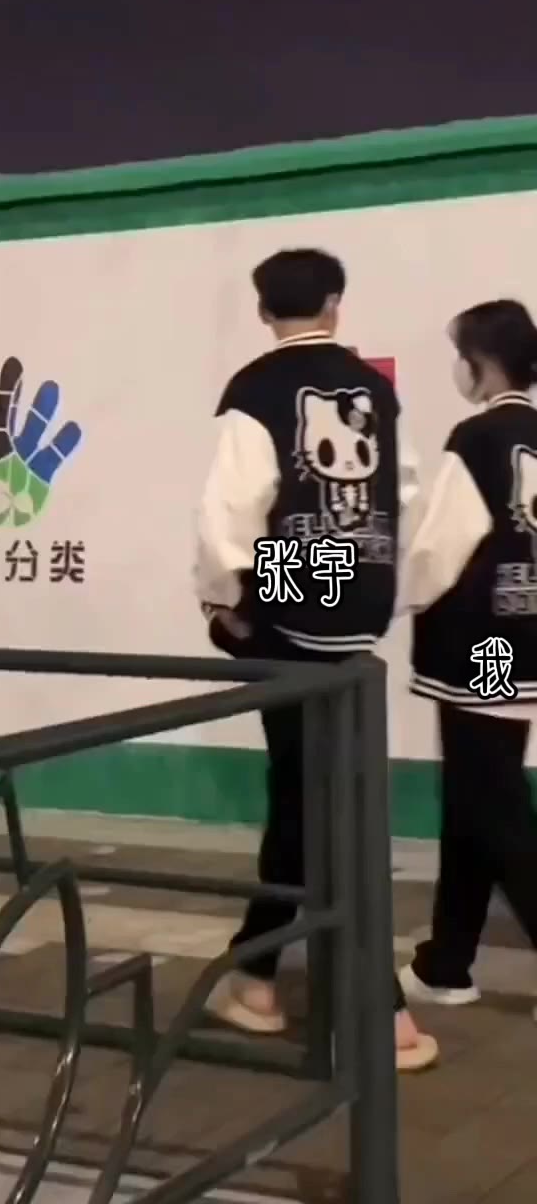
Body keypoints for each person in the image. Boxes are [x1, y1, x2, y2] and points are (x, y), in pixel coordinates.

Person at [194, 247, 438, 1072]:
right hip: (357, 596)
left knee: (313, 801)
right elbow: (403, 501)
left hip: (289, 599)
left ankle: (365, 1005)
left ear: (265, 311)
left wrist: (224, 601)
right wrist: (383, 592)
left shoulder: (255, 389)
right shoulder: (375, 390)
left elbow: (231, 513)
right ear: (335, 303)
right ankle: (259, 974)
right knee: (316, 795)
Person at [398, 299, 537, 1009]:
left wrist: (388, 598)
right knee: (474, 798)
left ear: (481, 362)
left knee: (494, 806)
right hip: (526, 638)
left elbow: (436, 551)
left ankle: (448, 961)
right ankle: (445, 962)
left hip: (484, 644)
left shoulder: (478, 438)